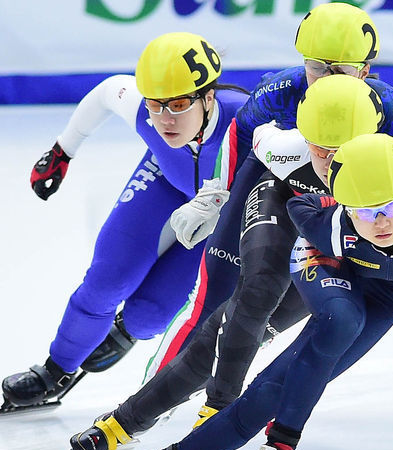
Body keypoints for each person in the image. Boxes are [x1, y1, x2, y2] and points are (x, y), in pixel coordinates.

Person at [95, 133, 393, 450]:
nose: (380, 221)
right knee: (341, 321)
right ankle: (283, 445)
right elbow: (297, 200)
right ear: (347, 209)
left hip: (390, 295)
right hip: (328, 263)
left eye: (390, 207)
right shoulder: (327, 224)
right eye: (364, 212)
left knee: (271, 393)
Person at [55, 74, 393, 450]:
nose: (329, 163)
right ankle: (172, 413)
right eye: (319, 149)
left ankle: (135, 419)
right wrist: (214, 196)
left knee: (264, 328)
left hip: (336, 233)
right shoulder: (284, 148)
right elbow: (242, 141)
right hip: (282, 198)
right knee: (253, 296)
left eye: (341, 151)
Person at [1, 32, 249, 412]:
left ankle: (128, 329)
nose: (165, 119)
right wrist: (62, 151)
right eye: (155, 104)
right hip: (167, 181)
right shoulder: (145, 111)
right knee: (107, 281)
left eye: (179, 104)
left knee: (150, 315)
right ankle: (56, 370)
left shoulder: (249, 124)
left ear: (209, 97)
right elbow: (108, 92)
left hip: (222, 216)